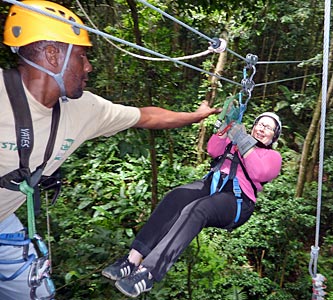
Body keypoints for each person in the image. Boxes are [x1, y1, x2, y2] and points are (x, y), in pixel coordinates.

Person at [0, 1, 220, 299]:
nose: (88, 66)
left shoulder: (85, 109)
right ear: (53, 56)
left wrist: (195, 116)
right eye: (81, 56)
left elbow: (148, 116)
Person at [102, 112, 283, 298]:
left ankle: (148, 272)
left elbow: (259, 172)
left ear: (274, 136)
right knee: (175, 197)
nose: (262, 128)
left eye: (268, 127)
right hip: (213, 184)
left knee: (197, 210)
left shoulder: (272, 156)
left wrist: (243, 139)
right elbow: (213, 150)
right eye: (260, 124)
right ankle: (132, 259)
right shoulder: (235, 142)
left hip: (238, 200)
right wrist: (224, 130)